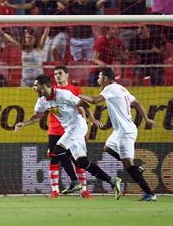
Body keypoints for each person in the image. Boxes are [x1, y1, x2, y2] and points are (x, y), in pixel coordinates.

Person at [15, 74, 123, 199]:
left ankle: (74, 181)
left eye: (35, 85)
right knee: (83, 162)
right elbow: (37, 116)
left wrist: (92, 119)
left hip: (78, 125)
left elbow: (83, 104)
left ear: (43, 86)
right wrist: (23, 123)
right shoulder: (42, 101)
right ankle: (113, 181)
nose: (33, 88)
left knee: (58, 150)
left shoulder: (63, 94)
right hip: (69, 129)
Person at [79, 68, 158, 201]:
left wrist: (78, 95)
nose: (98, 80)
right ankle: (137, 168)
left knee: (128, 165)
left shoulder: (110, 88)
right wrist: (146, 118)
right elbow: (137, 102)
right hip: (120, 131)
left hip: (125, 132)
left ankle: (150, 193)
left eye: (99, 77)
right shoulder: (121, 88)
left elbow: (94, 100)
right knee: (108, 148)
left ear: (105, 78)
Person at [47, 66, 94, 198]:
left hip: (73, 129)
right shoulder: (51, 91)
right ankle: (55, 190)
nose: (57, 76)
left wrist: (84, 131)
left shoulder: (74, 90)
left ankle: (84, 189)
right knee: (54, 158)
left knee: (77, 159)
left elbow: (82, 109)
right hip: (55, 130)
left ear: (67, 75)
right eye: (55, 74)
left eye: (60, 73)